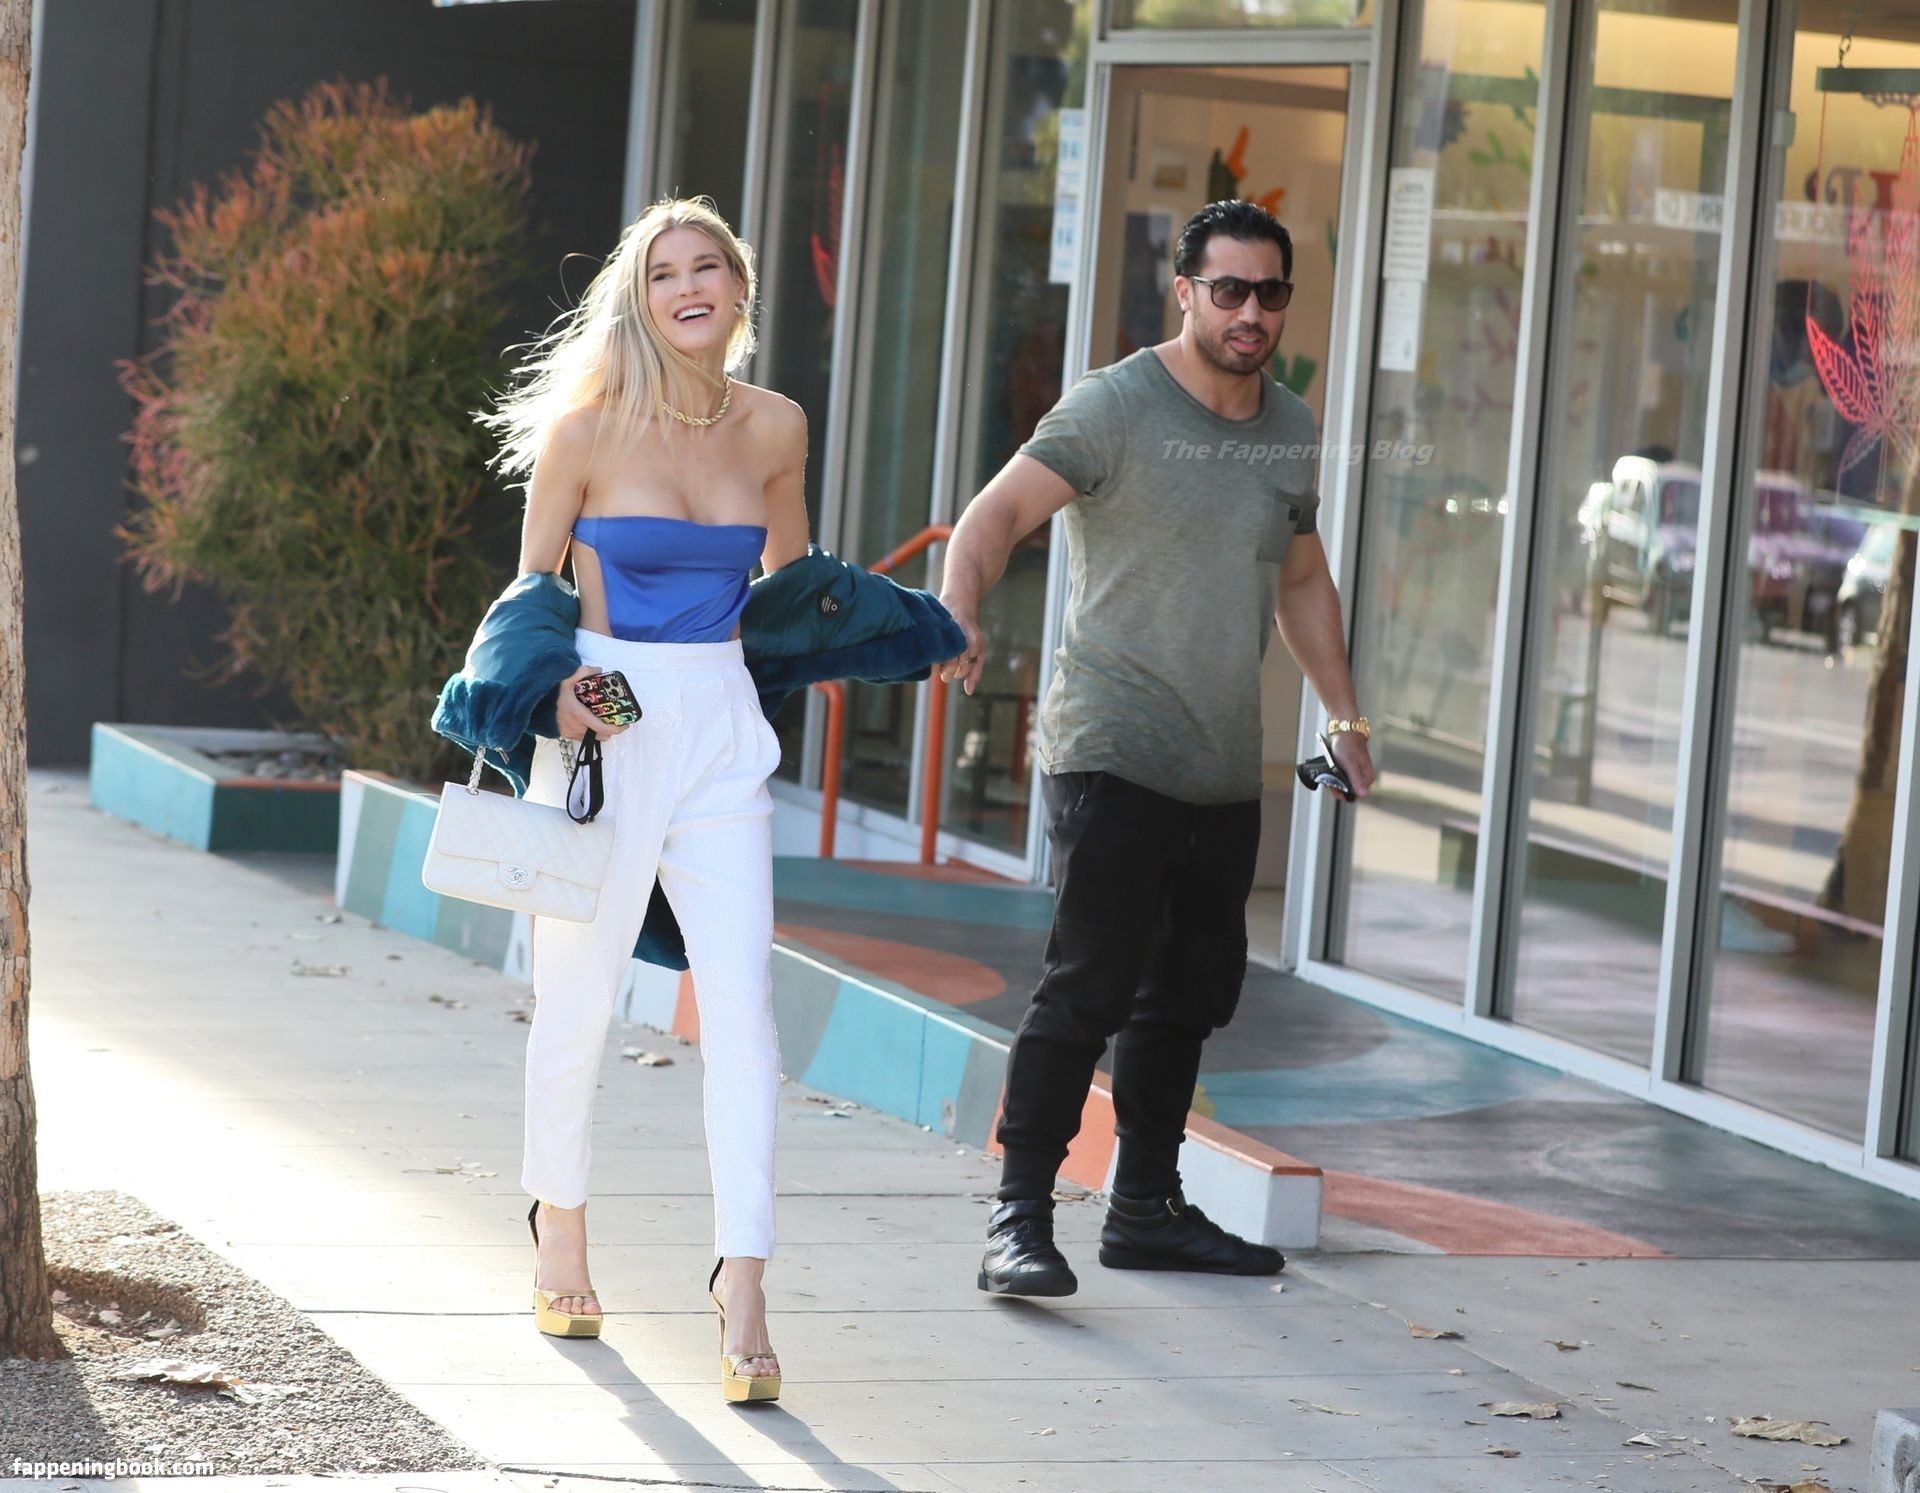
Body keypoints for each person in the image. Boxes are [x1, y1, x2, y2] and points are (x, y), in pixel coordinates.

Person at [936, 199, 1378, 1297]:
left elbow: (1302, 577)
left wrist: (1344, 715)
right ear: (1184, 292)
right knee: (1087, 988)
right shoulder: (1116, 405)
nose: (1250, 311)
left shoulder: (1290, 425)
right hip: (1110, 744)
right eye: (1228, 290)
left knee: (1187, 995)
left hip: (1221, 760)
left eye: (1270, 292)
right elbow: (994, 516)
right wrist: (960, 608)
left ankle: (1144, 1208)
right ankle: (1017, 1216)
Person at [479, 195, 800, 1398]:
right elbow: (528, 608)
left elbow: (791, 595)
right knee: (577, 996)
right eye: (664, 272)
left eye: (707, 265)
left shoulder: (775, 426)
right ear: (640, 298)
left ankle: (743, 1278)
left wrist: (897, 628)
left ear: (739, 287)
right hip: (608, 721)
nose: (688, 286)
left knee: (746, 1015)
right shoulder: (586, 433)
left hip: (722, 727)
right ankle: (558, 1224)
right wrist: (562, 698)